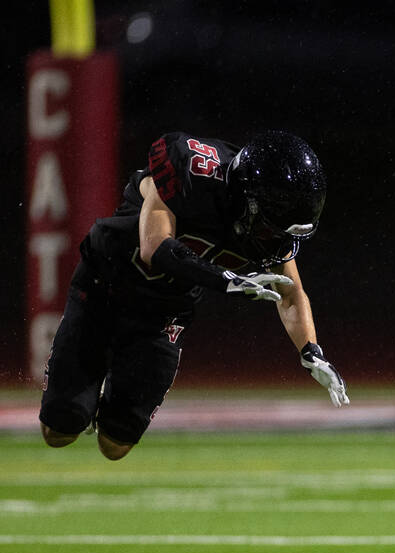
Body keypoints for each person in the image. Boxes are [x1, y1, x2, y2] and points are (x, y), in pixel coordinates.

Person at [39, 130, 349, 460]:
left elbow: (290, 293)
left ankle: (101, 389)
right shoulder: (191, 173)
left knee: (115, 445)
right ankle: (82, 390)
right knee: (60, 430)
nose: (274, 241)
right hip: (105, 286)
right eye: (269, 227)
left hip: (164, 313)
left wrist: (310, 349)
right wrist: (223, 280)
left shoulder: (266, 230)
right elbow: (153, 248)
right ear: (247, 199)